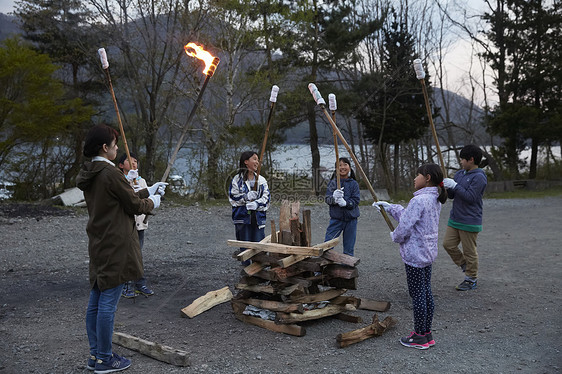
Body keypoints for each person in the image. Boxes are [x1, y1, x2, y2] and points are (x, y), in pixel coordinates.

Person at [76, 124, 166, 373]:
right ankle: (105, 358)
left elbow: (122, 197)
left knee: (96, 299)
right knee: (107, 304)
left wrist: (150, 189)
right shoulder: (109, 172)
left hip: (99, 241)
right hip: (115, 243)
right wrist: (153, 202)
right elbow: (134, 204)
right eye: (115, 145)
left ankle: (96, 356)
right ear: (105, 148)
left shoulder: (93, 172)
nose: (117, 149)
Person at [373, 163, 447, 349]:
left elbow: (404, 226)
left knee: (418, 295)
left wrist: (394, 237)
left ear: (427, 177)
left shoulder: (419, 201)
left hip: (415, 255)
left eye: (418, 175)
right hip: (427, 253)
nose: (415, 178)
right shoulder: (434, 199)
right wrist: (390, 207)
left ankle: (419, 336)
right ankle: (427, 333)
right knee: (426, 292)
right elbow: (409, 217)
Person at [442, 144, 488, 291]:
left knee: (470, 251)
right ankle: (465, 265)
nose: (461, 162)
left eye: (462, 159)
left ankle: (471, 278)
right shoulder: (460, 174)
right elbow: (452, 195)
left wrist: (454, 186)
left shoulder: (479, 177)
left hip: (470, 220)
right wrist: (446, 187)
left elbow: (471, 197)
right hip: (455, 218)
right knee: (448, 244)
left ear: (471, 160)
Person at [117, 153, 155, 298]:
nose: (133, 163)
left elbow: (145, 199)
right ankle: (126, 285)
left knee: (138, 254)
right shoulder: (120, 180)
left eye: (135, 161)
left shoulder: (142, 180)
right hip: (126, 225)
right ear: (121, 165)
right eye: (129, 160)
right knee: (127, 255)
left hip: (140, 224)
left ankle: (140, 283)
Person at [228, 151, 270, 265]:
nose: (257, 162)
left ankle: (259, 270)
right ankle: (246, 270)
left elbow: (266, 198)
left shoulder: (261, 180)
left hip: (258, 218)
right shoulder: (237, 180)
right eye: (255, 159)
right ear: (246, 162)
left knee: (259, 245)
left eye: (258, 159)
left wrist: (257, 204)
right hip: (242, 218)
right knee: (245, 245)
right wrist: (246, 197)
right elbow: (233, 197)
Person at [324, 157, 361, 256]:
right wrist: (334, 199)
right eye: (339, 165)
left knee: (349, 247)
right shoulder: (333, 183)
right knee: (327, 244)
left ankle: (347, 268)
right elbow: (327, 199)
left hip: (351, 220)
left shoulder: (354, 184)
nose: (342, 167)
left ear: (349, 167)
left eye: (345, 164)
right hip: (336, 219)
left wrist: (346, 203)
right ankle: (323, 266)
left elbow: (356, 200)